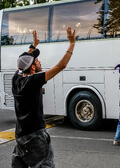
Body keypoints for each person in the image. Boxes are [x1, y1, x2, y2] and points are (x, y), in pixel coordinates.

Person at [12, 27, 76, 167]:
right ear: (33, 68)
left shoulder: (16, 79)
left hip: (20, 135)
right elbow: (61, 66)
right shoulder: (33, 81)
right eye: (37, 61)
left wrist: (33, 46)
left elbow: (22, 61)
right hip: (35, 136)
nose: (40, 62)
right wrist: (71, 44)